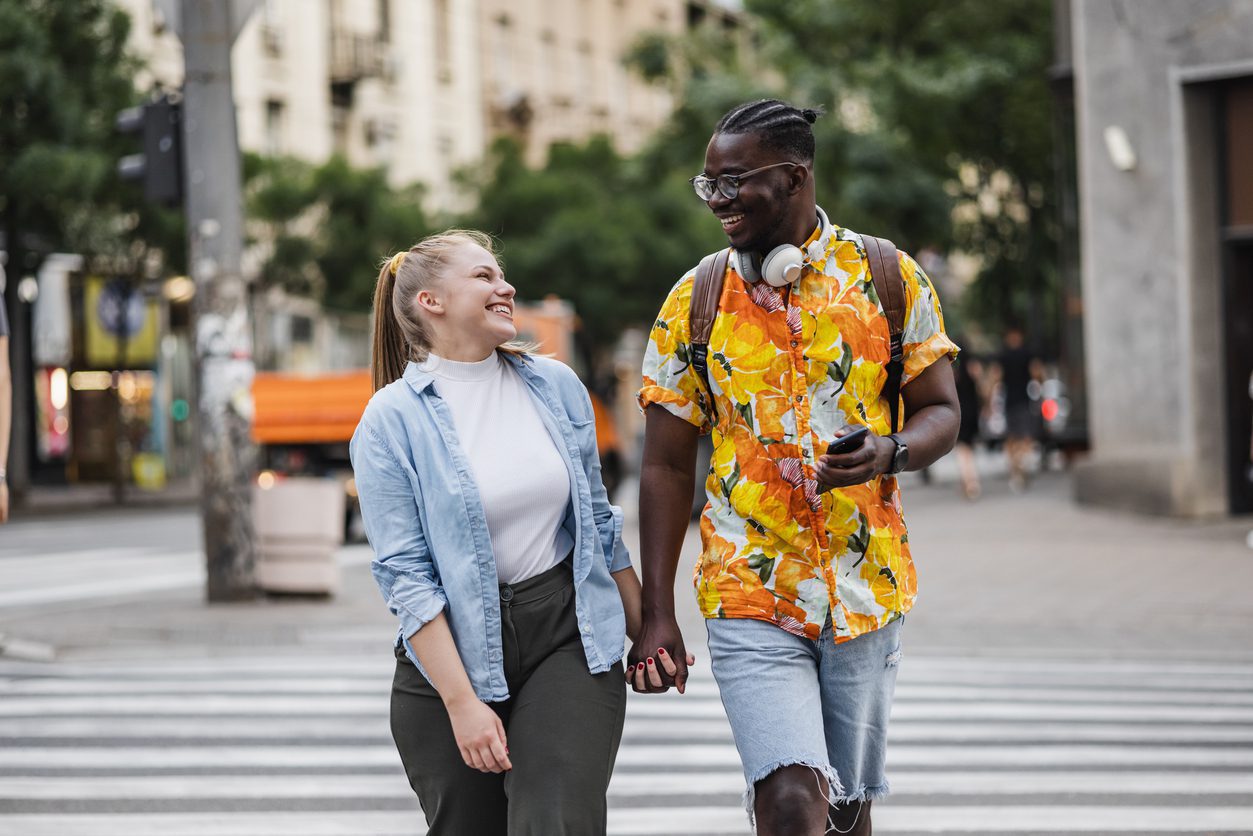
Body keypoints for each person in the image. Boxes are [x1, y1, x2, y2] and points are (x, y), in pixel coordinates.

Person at [632, 100, 960, 836]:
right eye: (707, 183)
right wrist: (657, 611)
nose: (716, 199)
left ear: (792, 177)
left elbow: (941, 411)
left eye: (733, 181)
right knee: (787, 800)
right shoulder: (696, 298)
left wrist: (891, 452)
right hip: (747, 587)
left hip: (864, 585)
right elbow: (662, 466)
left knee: (843, 812)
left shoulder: (886, 275)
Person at [349, 230, 656, 835]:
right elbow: (406, 580)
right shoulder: (390, 420)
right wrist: (464, 706)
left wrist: (648, 631)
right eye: (483, 276)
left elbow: (597, 519)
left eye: (501, 274)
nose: (505, 287)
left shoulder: (555, 385)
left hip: (566, 635)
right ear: (430, 302)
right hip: (448, 662)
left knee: (554, 819)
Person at [997, 325, 1039, 491]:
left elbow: (996, 376)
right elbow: (1037, 374)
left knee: (1012, 439)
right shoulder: (1027, 354)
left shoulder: (1004, 355)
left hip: (1010, 401)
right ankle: (1020, 466)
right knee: (1025, 438)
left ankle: (1016, 471)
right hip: (1023, 401)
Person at [953, 354, 984, 500]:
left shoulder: (953, 371)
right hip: (973, 413)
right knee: (969, 449)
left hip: (959, 413)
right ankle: (971, 481)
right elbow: (982, 391)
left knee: (962, 450)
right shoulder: (974, 368)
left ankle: (970, 482)